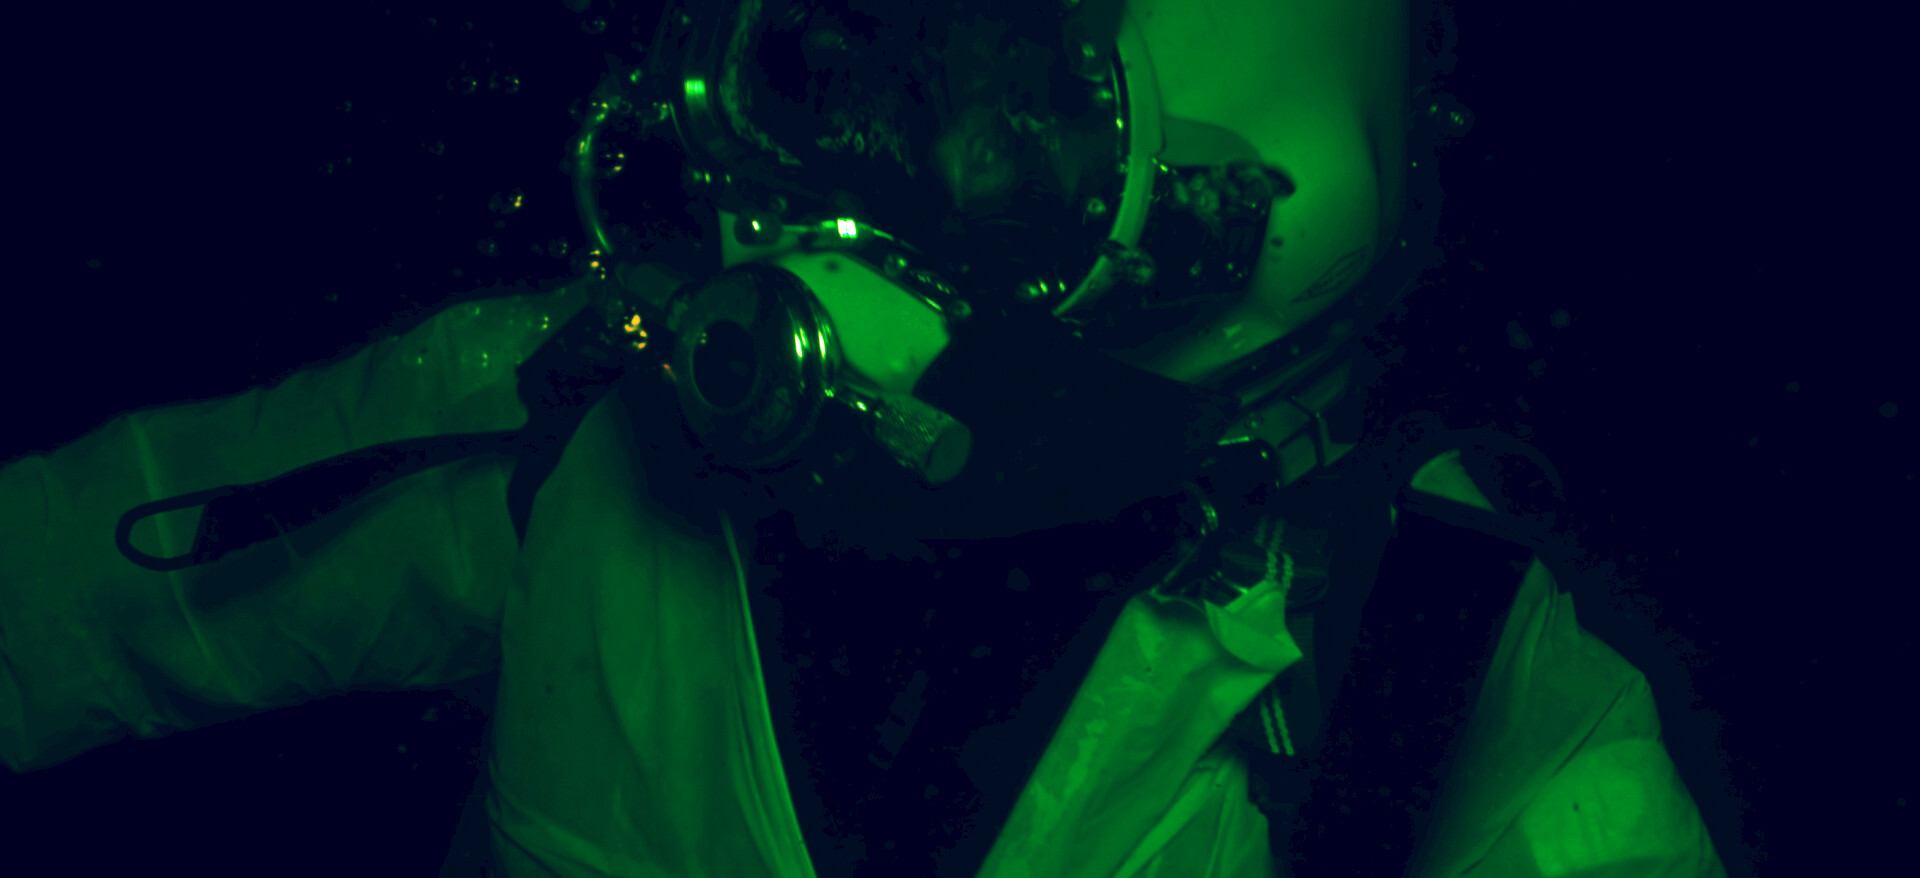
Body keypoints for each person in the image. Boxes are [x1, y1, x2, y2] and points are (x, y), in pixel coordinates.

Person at [0, 1, 1726, 876]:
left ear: (1216, 231)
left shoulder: (1438, 667)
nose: (834, 210)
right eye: (833, 75)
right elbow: (71, 588)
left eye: (988, 143)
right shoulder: (584, 413)